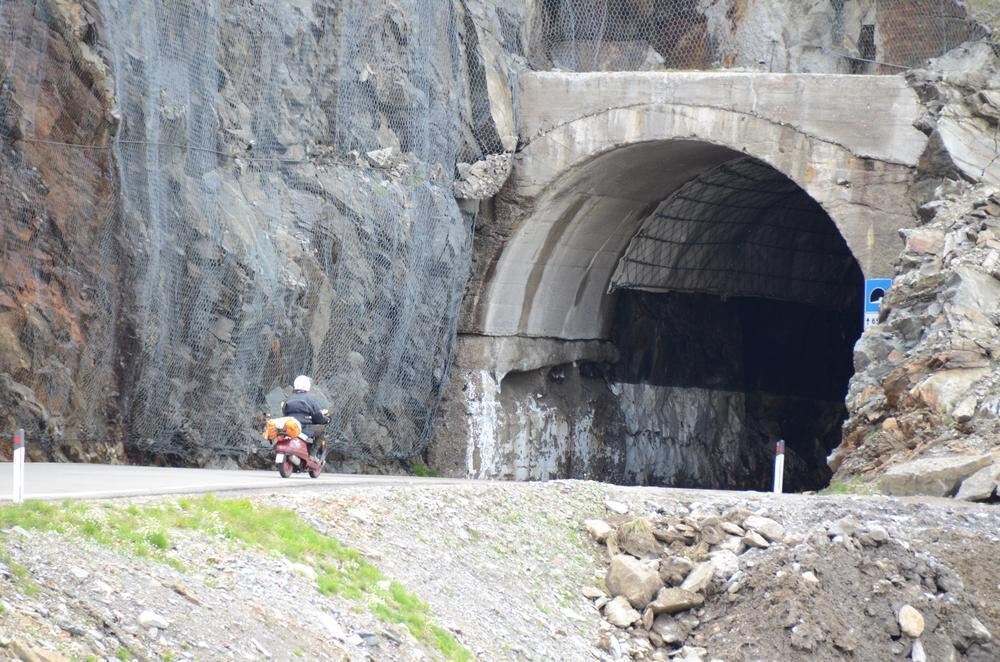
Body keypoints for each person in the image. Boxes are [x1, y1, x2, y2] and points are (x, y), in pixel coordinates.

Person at [281, 375, 330, 459]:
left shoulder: (288, 399)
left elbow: (285, 413)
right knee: (321, 432)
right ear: (307, 386)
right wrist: (326, 420)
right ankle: (312, 454)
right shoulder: (310, 400)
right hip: (305, 429)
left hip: (290, 428)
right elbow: (317, 416)